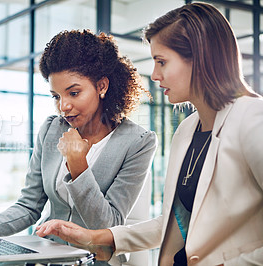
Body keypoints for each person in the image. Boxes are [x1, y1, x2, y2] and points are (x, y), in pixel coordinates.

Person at [36, 3, 263, 265]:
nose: (154, 75)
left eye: (162, 62)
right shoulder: (187, 130)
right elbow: (172, 222)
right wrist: (97, 237)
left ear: (200, 58)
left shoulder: (253, 118)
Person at [0, 29, 157, 245]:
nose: (63, 106)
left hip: (95, 259)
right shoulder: (53, 129)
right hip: (45, 253)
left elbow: (108, 225)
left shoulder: (138, 142)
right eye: (56, 96)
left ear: (102, 86)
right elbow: (29, 206)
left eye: (74, 93)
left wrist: (78, 166)